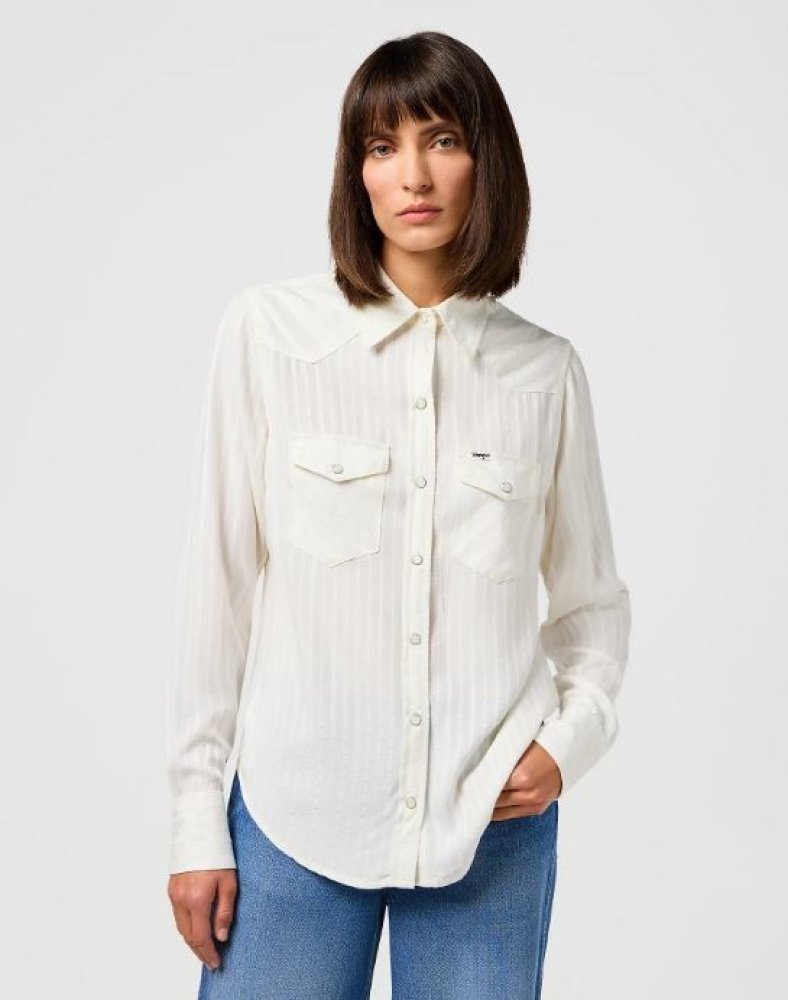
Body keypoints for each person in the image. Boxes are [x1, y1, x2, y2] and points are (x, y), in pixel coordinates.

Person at [166, 30, 631, 1000]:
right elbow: (218, 588)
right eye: (382, 147)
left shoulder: (544, 374)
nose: (412, 175)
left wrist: (567, 744)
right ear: (357, 174)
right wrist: (195, 820)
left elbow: (590, 607)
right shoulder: (269, 337)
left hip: (490, 830)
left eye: (442, 140)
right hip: (293, 819)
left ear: (485, 161)